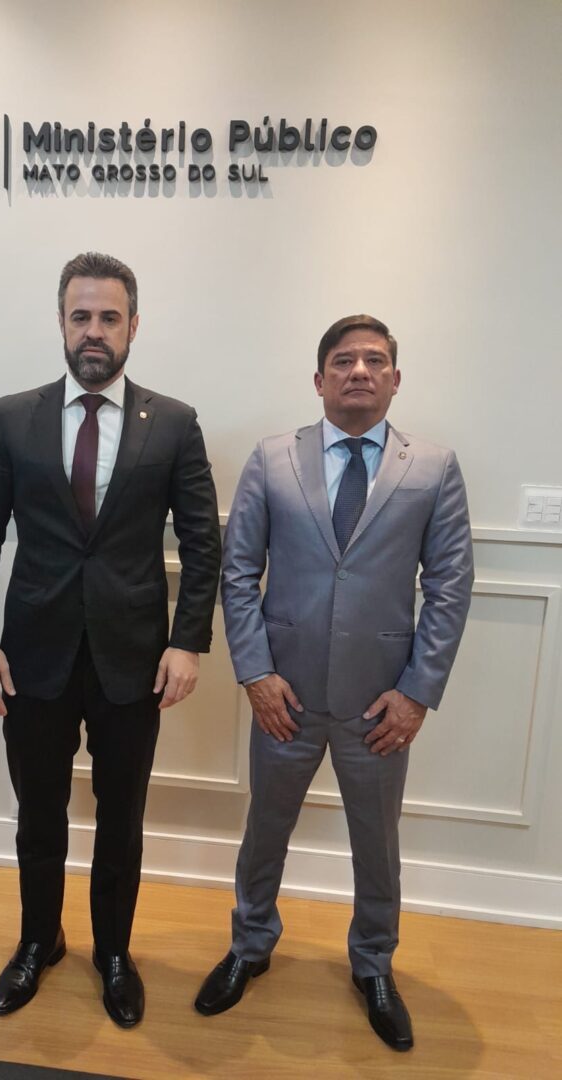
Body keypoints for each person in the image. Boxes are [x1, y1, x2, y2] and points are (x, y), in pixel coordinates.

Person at [194, 315, 473, 1051]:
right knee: (265, 832)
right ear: (319, 379)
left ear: (395, 380)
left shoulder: (433, 467)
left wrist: (416, 692)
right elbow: (237, 571)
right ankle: (250, 945)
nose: (359, 371)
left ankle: (373, 963)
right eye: (343, 361)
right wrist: (255, 672)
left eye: (374, 360)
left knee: (377, 843)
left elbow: (450, 586)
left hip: (380, 704)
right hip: (283, 697)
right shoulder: (272, 458)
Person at [0, 252, 221, 1028]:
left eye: (110, 317)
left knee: (121, 819)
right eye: (82, 317)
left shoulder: (174, 423)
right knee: (38, 815)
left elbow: (202, 543)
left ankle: (113, 953)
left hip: (133, 661)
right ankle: (39, 942)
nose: (94, 331)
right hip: (31, 656)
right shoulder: (13, 417)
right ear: (61, 323)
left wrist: (187, 643)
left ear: (134, 326)